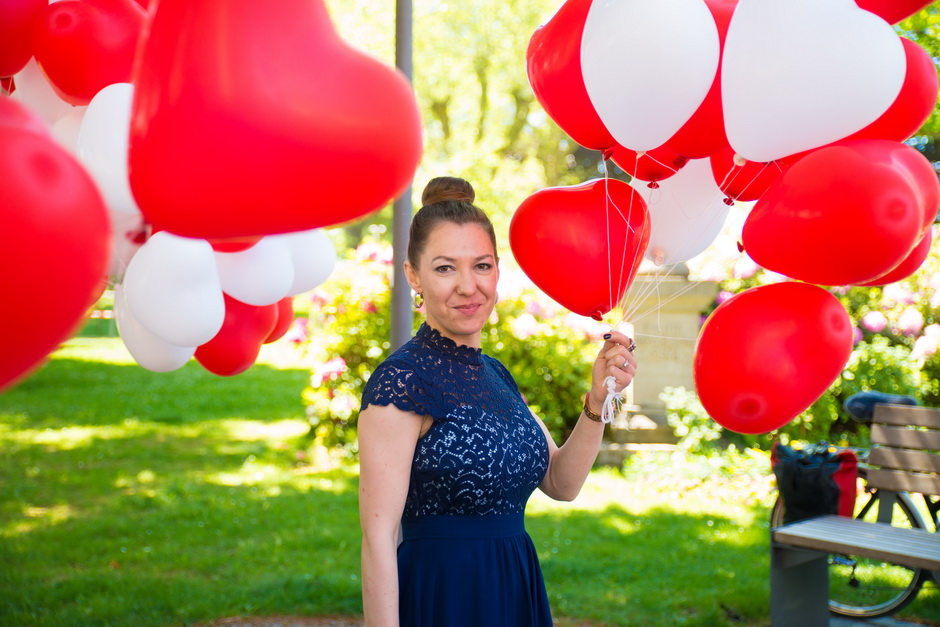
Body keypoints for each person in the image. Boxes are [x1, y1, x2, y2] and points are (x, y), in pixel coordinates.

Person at [358, 176, 638, 627]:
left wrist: (597, 401)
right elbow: (378, 535)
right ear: (414, 275)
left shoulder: (495, 374)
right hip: (445, 597)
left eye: (481, 266)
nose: (468, 286)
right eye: (446, 268)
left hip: (514, 589)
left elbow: (560, 483)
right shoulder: (403, 379)